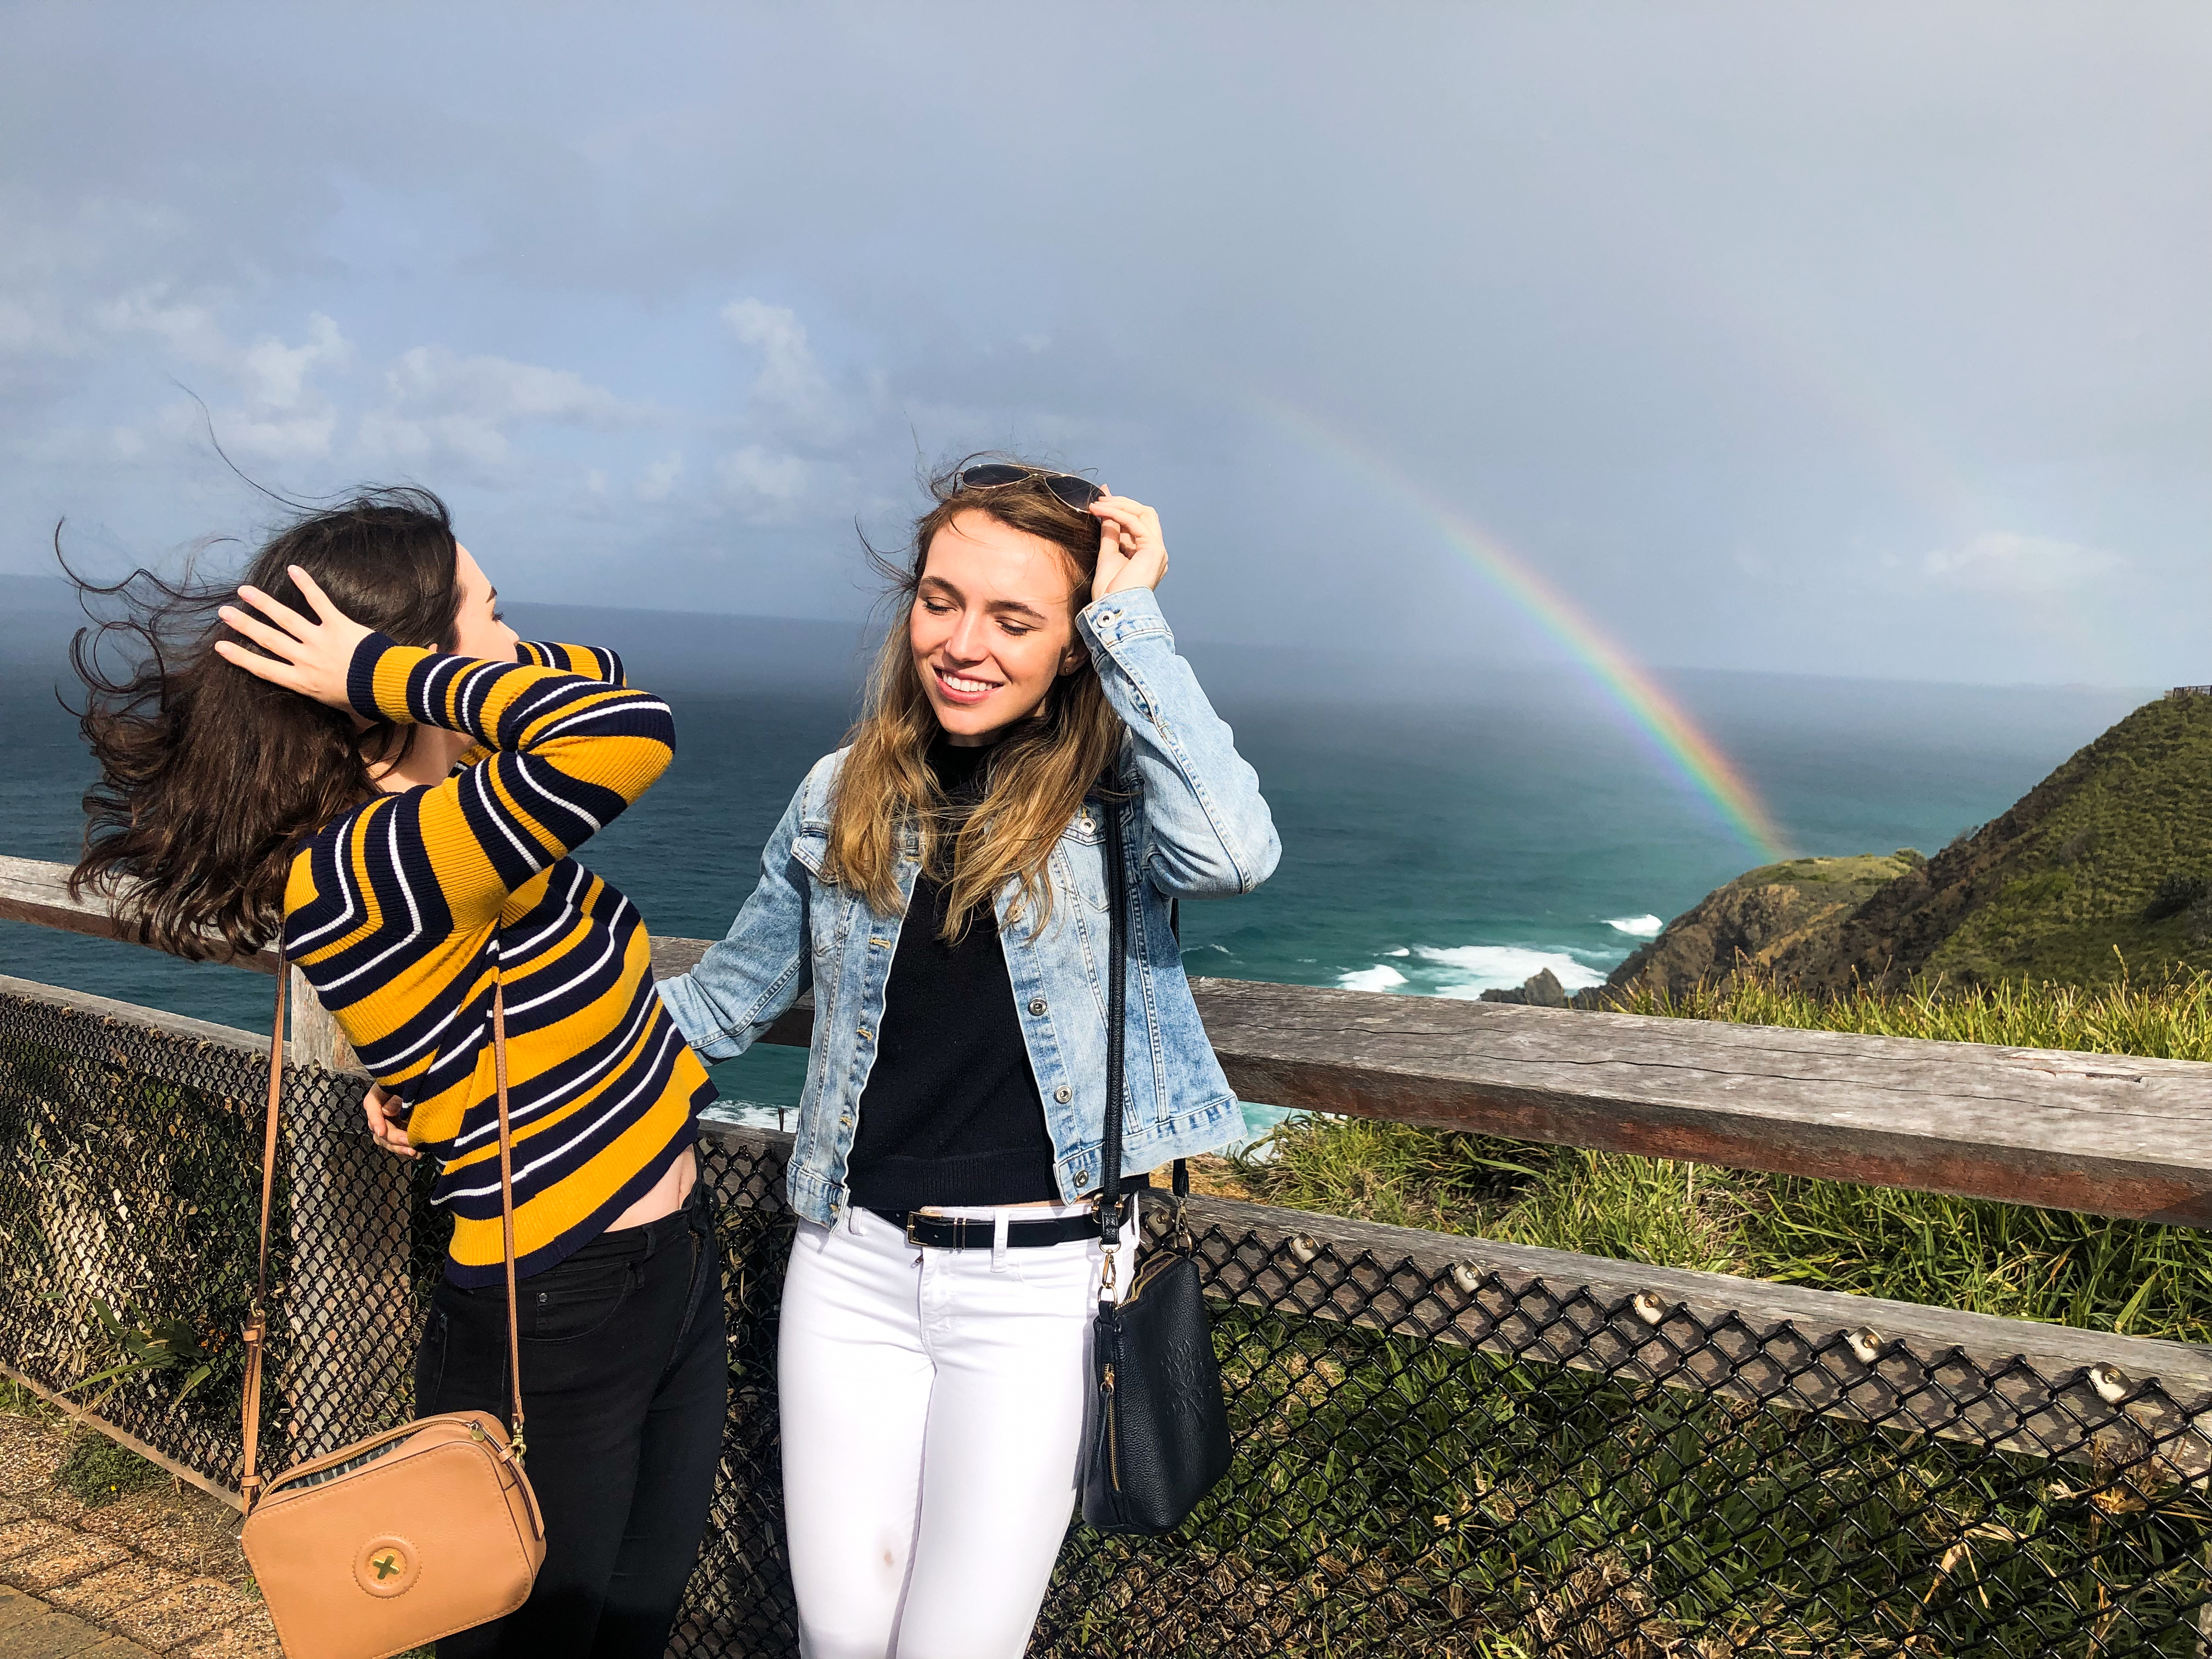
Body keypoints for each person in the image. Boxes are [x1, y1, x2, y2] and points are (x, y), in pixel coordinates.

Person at [65, 489, 725, 1659]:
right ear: (386, 684)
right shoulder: (389, 858)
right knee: (538, 1639)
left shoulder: (443, 821)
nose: (519, 649)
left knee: (625, 1627)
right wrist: (387, 667)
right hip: (562, 1301)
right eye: (490, 618)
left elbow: (600, 679)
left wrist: (440, 1083)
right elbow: (629, 729)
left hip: (655, 1268)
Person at [656, 459, 1278, 1659]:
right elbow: (722, 1005)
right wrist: (494, 1080)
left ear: (1073, 643)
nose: (963, 642)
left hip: (1036, 1289)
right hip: (850, 1267)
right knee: (840, 1640)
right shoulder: (843, 793)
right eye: (941, 600)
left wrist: (1131, 614)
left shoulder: (1117, 805)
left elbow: (1235, 851)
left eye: (1015, 618)